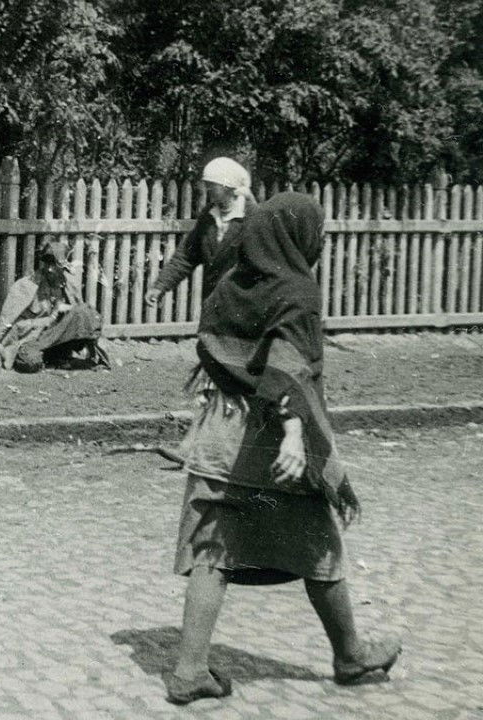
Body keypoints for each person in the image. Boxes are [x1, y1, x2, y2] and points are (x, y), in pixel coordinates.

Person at [165, 193, 399, 704]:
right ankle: (351, 656)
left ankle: (188, 671)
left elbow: (214, 346)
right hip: (270, 444)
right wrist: (294, 431)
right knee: (319, 542)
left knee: (213, 550)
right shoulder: (297, 290)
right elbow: (286, 363)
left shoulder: (231, 284)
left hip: (219, 433)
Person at [145, 157, 256, 308]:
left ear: (228, 186)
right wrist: (160, 286)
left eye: (212, 185)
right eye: (207, 184)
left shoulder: (252, 217)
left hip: (245, 304)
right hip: (213, 302)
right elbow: (186, 255)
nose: (208, 189)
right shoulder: (208, 216)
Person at [0, 239, 107, 373]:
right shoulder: (26, 286)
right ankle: (52, 358)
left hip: (56, 339)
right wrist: (53, 316)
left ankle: (76, 357)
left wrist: (68, 311)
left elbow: (83, 321)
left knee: (84, 311)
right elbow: (12, 327)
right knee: (31, 361)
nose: (49, 268)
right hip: (32, 339)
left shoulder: (68, 285)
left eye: (54, 264)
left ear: (64, 266)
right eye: (47, 263)